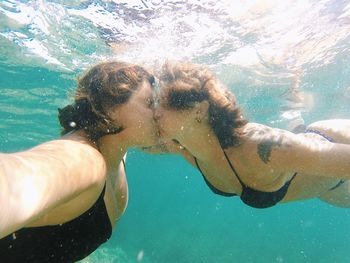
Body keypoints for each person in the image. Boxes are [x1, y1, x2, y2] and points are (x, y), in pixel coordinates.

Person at [0, 61, 158, 262]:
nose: (158, 113)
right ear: (111, 110)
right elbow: (13, 184)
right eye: (150, 103)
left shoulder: (115, 150)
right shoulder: (83, 160)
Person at [154, 62, 350, 209]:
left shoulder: (261, 147)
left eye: (163, 103)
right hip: (332, 192)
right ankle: (295, 121)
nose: (155, 112)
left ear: (199, 110)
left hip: (335, 141)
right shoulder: (182, 146)